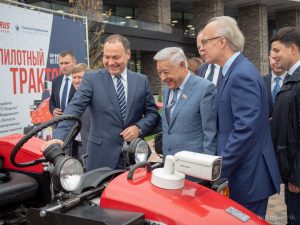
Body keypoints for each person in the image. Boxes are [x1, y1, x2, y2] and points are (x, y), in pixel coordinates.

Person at [200, 16, 281, 217]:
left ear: (222, 41)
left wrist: (220, 168)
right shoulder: (230, 72)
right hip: (242, 172)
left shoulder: (241, 74)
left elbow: (246, 130)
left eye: (205, 41)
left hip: (248, 175)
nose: (202, 46)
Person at [43, 34, 160, 171]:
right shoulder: (92, 79)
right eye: (106, 57)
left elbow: (152, 114)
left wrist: (138, 128)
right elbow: (74, 108)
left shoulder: (141, 81)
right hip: (101, 158)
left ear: (128, 54)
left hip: (136, 155)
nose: (110, 62)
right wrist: (59, 137)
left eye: (115, 57)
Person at [153, 47, 217, 157]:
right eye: (159, 73)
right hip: (169, 162)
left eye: (166, 72)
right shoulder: (167, 89)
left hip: (193, 165)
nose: (162, 77)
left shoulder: (205, 88)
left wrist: (207, 166)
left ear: (182, 65)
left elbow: (210, 134)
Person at [270, 26, 300, 225]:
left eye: (277, 50)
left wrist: (297, 175)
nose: (273, 56)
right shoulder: (291, 79)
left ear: (292, 49)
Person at [71, 63, 91, 162]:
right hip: (74, 145)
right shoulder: (75, 96)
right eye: (74, 77)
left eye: (80, 77)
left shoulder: (94, 97)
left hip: (89, 147)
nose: (76, 80)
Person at [49, 50, 76, 117]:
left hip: (77, 123)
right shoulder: (55, 81)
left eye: (66, 63)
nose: (64, 66)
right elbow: (52, 101)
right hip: (59, 123)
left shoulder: (81, 80)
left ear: (74, 62)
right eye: (61, 63)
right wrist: (53, 110)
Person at [263, 52, 287, 118]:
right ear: (269, 58)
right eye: (274, 58)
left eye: (280, 59)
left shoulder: (294, 81)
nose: (277, 63)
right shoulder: (261, 82)